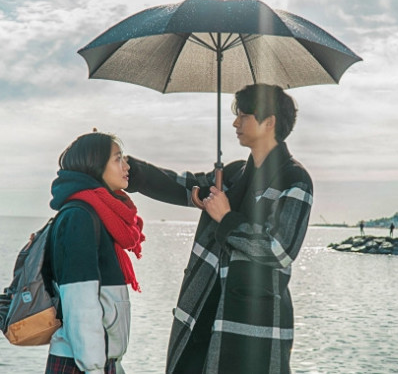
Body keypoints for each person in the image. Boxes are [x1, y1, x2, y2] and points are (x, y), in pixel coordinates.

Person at [126, 84, 313, 374]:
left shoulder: (295, 178)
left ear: (270, 122)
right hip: (203, 311)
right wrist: (128, 170)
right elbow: (183, 185)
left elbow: (280, 248)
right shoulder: (234, 174)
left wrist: (226, 218)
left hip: (253, 324)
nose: (236, 122)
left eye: (243, 115)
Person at [46, 132, 145, 374]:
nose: (126, 166)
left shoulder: (99, 213)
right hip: (81, 363)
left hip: (97, 360)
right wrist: (94, 368)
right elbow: (80, 303)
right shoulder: (80, 216)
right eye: (117, 159)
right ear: (95, 165)